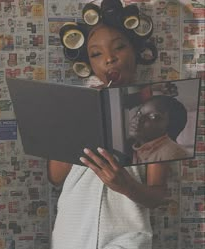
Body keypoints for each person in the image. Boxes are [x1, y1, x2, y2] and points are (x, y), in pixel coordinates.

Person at [48, 0, 170, 248]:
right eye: (96, 53)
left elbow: (157, 195)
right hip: (71, 234)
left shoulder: (156, 111)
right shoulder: (73, 107)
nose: (110, 59)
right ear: (89, 63)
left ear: (135, 50)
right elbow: (55, 177)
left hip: (127, 236)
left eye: (119, 47)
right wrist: (78, 119)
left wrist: (126, 185)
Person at [129, 95, 190, 164]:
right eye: (139, 112)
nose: (139, 119)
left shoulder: (174, 155)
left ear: (171, 126)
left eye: (153, 117)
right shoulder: (136, 150)